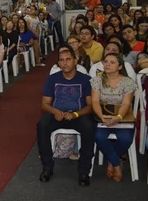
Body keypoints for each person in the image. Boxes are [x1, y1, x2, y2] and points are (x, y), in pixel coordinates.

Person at [36, 45, 94, 186]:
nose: (65, 63)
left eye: (68, 59)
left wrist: (74, 114)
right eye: (61, 60)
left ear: (75, 61)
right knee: (42, 125)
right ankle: (47, 167)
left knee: (89, 127)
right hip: (58, 114)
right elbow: (44, 105)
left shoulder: (85, 79)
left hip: (78, 115)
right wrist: (55, 111)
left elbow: (90, 106)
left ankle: (83, 171)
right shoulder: (52, 79)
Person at [91, 53, 137, 182]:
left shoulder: (128, 82)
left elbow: (127, 103)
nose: (107, 64)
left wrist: (118, 117)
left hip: (122, 116)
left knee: (126, 139)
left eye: (112, 62)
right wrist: (101, 116)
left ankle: (112, 162)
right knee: (99, 137)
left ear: (120, 66)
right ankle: (117, 164)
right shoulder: (97, 80)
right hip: (103, 115)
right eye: (106, 61)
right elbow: (94, 101)